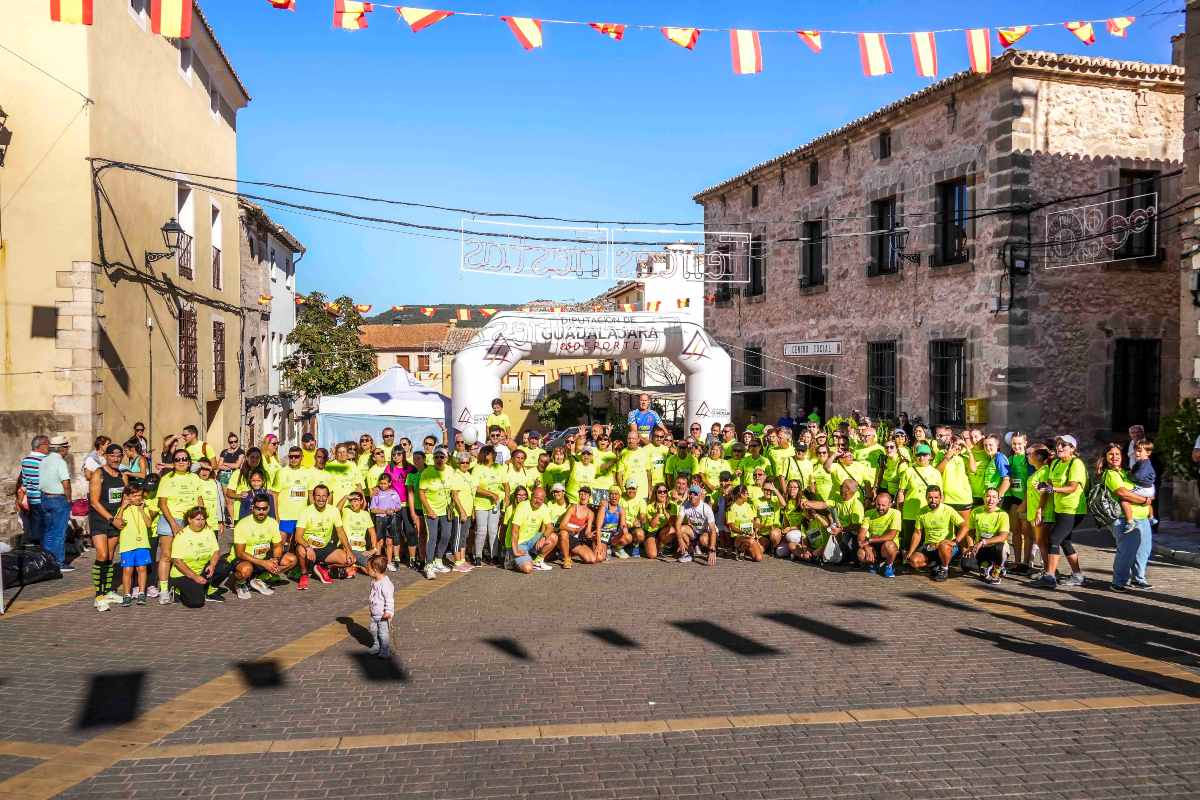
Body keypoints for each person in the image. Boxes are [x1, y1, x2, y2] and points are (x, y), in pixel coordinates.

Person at [1097, 443, 1154, 592]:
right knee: (1127, 552)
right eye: (1111, 454)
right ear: (1105, 457)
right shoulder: (1110, 474)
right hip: (1124, 519)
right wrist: (1145, 500)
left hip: (1142, 517)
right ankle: (1118, 582)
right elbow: (1123, 493)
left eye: (1117, 454)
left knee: (1143, 551)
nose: (1115, 457)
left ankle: (1138, 579)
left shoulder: (1125, 472)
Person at [1035, 434, 1088, 590]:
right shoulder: (1056, 463)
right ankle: (1078, 575)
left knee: (1054, 539)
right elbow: (1049, 484)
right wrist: (1043, 488)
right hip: (1060, 508)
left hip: (1073, 509)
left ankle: (1050, 576)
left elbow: (1072, 487)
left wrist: (1053, 489)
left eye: (1064, 445)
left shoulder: (1076, 463)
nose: (1059, 447)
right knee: (1065, 541)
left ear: (1072, 448)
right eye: (1058, 444)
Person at [155, 449, 204, 602]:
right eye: (177, 459)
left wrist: (202, 519)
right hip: (170, 519)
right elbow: (162, 504)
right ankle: (163, 590)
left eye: (184, 459)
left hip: (190, 520)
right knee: (166, 555)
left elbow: (199, 500)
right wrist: (174, 524)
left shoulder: (195, 478)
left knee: (186, 555)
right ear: (173, 462)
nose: (181, 462)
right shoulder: (166, 478)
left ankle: (180, 585)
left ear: (189, 462)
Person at [227, 496, 297, 598]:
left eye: (264, 509)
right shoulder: (242, 524)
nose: (261, 512)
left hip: (263, 557)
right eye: (258, 508)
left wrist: (275, 561)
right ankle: (239, 582)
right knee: (246, 570)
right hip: (245, 558)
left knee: (292, 560)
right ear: (252, 508)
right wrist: (264, 563)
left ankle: (260, 579)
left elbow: (277, 546)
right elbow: (240, 553)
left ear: (268, 508)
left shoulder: (272, 522)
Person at [88, 443, 127, 607]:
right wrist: (112, 519)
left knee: (110, 557)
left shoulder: (122, 476)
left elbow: (124, 499)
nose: (116, 459)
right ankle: (98, 595)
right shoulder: (99, 474)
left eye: (118, 456)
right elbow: (94, 502)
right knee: (102, 555)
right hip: (100, 519)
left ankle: (108, 590)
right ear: (106, 456)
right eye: (112, 456)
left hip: (115, 521)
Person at [904, 486, 968, 581]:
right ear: (926, 498)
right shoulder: (921, 512)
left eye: (936, 498)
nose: (933, 500)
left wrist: (955, 541)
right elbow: (917, 533)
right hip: (929, 546)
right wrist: (910, 552)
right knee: (914, 561)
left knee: (943, 545)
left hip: (946, 546)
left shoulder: (948, 510)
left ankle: (944, 569)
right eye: (930, 498)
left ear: (940, 498)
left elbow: (964, 526)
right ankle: (935, 564)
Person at [295, 484, 352, 589]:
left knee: (349, 560)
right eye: (318, 496)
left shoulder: (334, 511)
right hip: (308, 546)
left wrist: (348, 550)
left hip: (325, 546)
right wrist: (308, 547)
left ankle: (322, 566)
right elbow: (298, 537)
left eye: (324, 496)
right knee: (300, 549)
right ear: (313, 496)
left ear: (328, 497)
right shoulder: (305, 512)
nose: (321, 499)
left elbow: (341, 532)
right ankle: (304, 574)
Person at [168, 507, 224, 608]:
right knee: (196, 603)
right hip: (183, 574)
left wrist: (212, 565)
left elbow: (216, 551)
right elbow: (177, 562)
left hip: (201, 569)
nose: (201, 522)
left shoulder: (209, 531)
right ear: (189, 519)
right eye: (197, 519)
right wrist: (195, 577)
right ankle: (177, 590)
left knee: (224, 565)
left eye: (203, 519)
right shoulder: (181, 535)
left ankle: (208, 589)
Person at [114, 482, 153, 607]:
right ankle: (126, 594)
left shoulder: (144, 507)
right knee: (127, 570)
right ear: (127, 496)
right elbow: (118, 524)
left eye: (140, 495)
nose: (138, 498)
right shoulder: (122, 509)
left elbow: (148, 524)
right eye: (135, 495)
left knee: (142, 568)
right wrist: (122, 508)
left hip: (142, 543)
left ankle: (142, 593)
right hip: (127, 544)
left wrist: (142, 510)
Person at [38, 435, 75, 571]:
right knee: (59, 532)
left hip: (44, 498)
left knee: (48, 532)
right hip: (58, 499)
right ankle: (58, 563)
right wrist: (69, 498)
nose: (67, 450)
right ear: (62, 449)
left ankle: (47, 561)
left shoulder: (43, 460)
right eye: (67, 447)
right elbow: (66, 482)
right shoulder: (60, 462)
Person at [419, 446, 454, 580]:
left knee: (446, 535)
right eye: (436, 457)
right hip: (431, 510)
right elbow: (421, 493)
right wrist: (429, 510)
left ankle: (438, 560)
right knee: (432, 537)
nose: (439, 459)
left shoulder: (450, 470)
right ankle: (428, 566)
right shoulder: (427, 472)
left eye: (442, 457)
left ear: (446, 459)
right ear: (433, 459)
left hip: (446, 510)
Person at [964, 487, 1010, 584]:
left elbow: (1003, 537)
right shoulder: (976, 511)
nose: (990, 499)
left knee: (1000, 546)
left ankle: (997, 569)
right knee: (966, 565)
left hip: (995, 547)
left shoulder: (1003, 514)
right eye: (988, 496)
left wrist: (983, 542)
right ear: (983, 498)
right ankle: (986, 565)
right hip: (980, 548)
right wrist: (971, 546)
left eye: (994, 497)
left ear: (998, 500)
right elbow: (970, 532)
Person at [509, 486, 559, 573]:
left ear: (544, 500)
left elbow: (550, 527)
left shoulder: (544, 507)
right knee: (528, 569)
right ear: (531, 496)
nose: (538, 501)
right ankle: (513, 560)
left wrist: (543, 537)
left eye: (541, 499)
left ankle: (537, 561)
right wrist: (515, 550)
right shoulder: (522, 506)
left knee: (553, 537)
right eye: (536, 498)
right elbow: (514, 530)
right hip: (520, 543)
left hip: (532, 540)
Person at [273, 446, 316, 546]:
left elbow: (311, 495)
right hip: (284, 517)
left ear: (302, 457)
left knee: (297, 548)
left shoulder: (308, 473)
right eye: (291, 456)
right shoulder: (281, 472)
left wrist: (314, 514)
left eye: (296, 456)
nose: (293, 459)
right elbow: (274, 495)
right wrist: (276, 516)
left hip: (301, 517)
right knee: (280, 547)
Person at [859, 490, 902, 578]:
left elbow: (891, 535)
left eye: (883, 505)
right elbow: (861, 535)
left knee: (889, 546)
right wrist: (866, 547)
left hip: (887, 545)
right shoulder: (868, 513)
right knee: (861, 553)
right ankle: (875, 563)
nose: (880, 508)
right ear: (875, 502)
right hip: (874, 545)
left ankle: (889, 565)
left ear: (890, 505)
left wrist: (870, 540)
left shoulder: (896, 513)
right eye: (878, 504)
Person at [676, 484, 718, 566]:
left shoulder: (706, 508)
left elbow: (713, 530)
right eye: (690, 493)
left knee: (703, 540)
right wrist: (680, 540)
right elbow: (677, 524)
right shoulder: (685, 505)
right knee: (681, 529)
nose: (692, 496)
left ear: (699, 495)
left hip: (708, 532)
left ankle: (712, 549)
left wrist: (712, 549)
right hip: (696, 531)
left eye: (695, 494)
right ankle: (689, 553)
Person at [369, 473, 404, 572]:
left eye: (385, 483)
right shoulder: (377, 493)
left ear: (390, 483)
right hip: (380, 519)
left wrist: (393, 510)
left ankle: (389, 562)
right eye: (381, 483)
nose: (382, 486)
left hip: (391, 519)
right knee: (379, 541)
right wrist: (384, 511)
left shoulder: (393, 493)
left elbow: (398, 506)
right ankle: (377, 563)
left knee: (389, 542)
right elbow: (373, 509)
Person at [18, 435, 49, 545]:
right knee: (45, 528)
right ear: (41, 446)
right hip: (44, 498)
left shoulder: (25, 461)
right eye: (47, 444)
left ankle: (35, 546)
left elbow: (25, 481)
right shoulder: (45, 460)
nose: (49, 447)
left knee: (35, 524)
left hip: (32, 498)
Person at [341, 490, 380, 575]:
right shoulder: (346, 511)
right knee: (373, 572)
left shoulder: (365, 514)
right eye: (351, 501)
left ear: (362, 501)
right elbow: (336, 510)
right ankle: (353, 565)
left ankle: (354, 565)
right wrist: (346, 497)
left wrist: (374, 549)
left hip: (362, 550)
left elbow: (372, 532)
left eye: (356, 501)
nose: (353, 503)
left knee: (377, 568)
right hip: (349, 549)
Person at [558, 485, 597, 567]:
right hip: (565, 536)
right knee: (563, 533)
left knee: (591, 559)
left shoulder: (590, 513)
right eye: (581, 494)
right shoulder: (573, 508)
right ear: (579, 495)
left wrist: (590, 535)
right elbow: (562, 525)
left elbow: (587, 532)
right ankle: (566, 559)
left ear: (589, 496)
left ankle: (566, 552)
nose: (583, 496)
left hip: (575, 539)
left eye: (585, 494)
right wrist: (574, 530)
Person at [365, 554, 395, 658]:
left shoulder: (385, 584)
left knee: (383, 633)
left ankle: (385, 649)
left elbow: (389, 599)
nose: (367, 570)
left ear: (375, 570)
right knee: (373, 630)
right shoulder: (375, 581)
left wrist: (388, 611)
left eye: (368, 568)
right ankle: (376, 645)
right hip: (374, 613)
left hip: (383, 615)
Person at [1126, 438, 1157, 526]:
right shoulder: (1142, 462)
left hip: (1144, 488)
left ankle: (1130, 521)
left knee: (1125, 498)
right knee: (1148, 502)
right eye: (1136, 451)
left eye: (1139, 451)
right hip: (1148, 487)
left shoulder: (1144, 464)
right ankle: (1151, 517)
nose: (1137, 453)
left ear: (1148, 452)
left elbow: (1138, 476)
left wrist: (1129, 477)